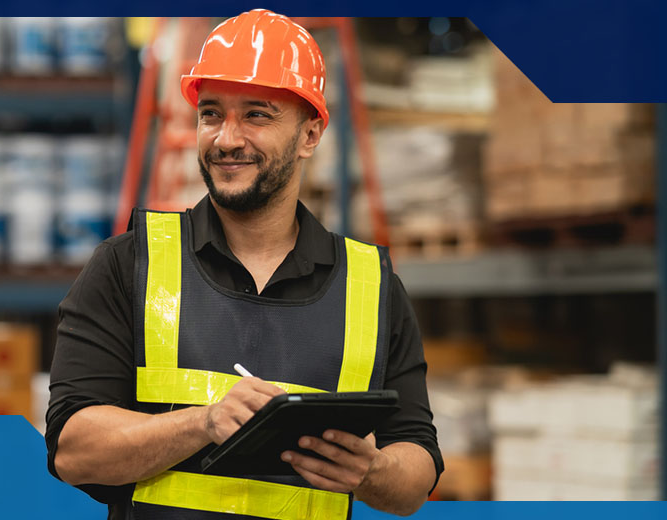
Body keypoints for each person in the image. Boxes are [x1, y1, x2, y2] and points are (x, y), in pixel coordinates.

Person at [46, 10, 442, 519]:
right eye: (211, 113)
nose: (226, 138)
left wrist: (372, 473)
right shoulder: (128, 265)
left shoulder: (370, 284)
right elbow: (73, 450)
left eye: (256, 115)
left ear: (310, 135)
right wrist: (203, 423)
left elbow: (415, 471)